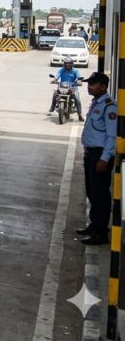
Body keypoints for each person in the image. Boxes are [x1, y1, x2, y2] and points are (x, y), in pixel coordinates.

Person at [77, 71, 117, 245]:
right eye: (88, 84)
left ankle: (101, 232)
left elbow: (112, 135)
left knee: (100, 194)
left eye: (93, 84)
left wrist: (105, 158)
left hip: (99, 156)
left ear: (103, 86)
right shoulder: (96, 103)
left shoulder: (110, 107)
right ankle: (94, 225)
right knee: (92, 192)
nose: (89, 87)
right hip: (90, 154)